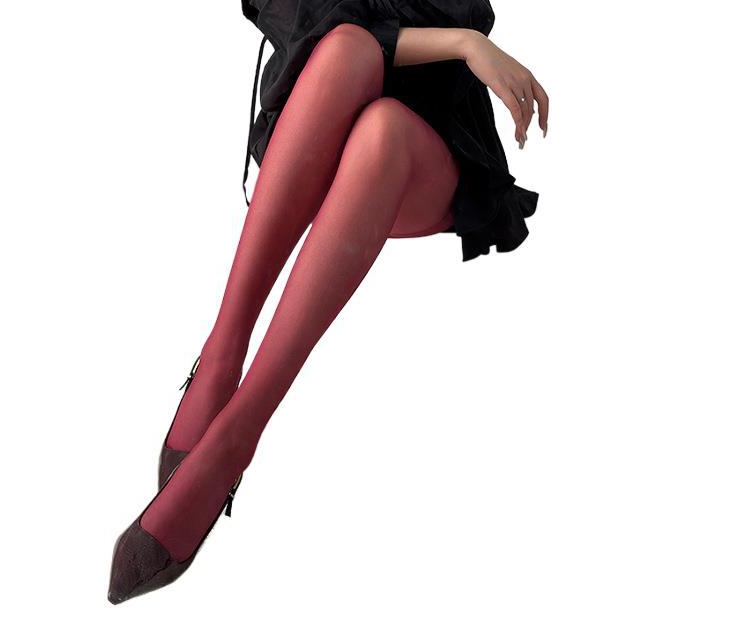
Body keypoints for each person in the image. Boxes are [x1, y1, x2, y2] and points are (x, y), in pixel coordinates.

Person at [108, 0, 548, 604]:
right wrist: (464, 44)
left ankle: (237, 431)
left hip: (427, 146)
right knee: (345, 46)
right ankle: (221, 356)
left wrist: (464, 41)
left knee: (383, 129)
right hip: (320, 114)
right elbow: (305, 19)